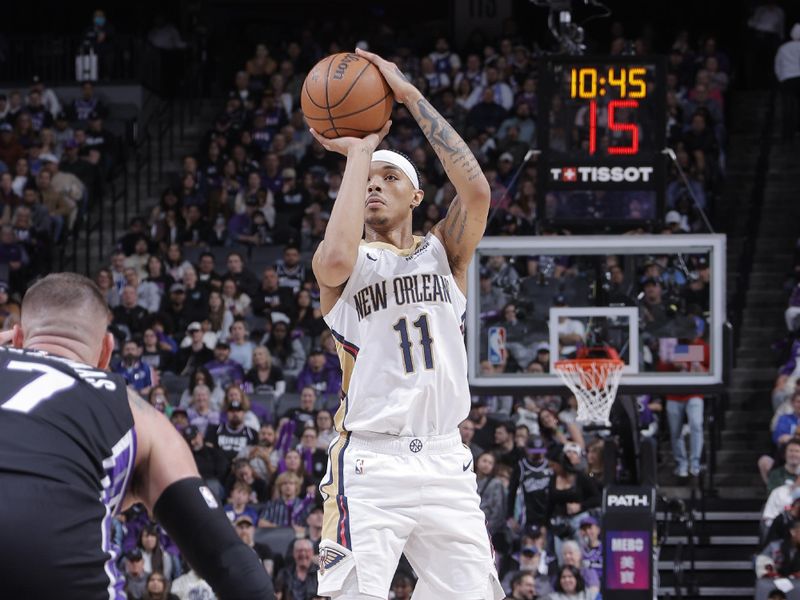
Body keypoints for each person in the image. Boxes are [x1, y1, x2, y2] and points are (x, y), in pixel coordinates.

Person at [311, 48, 504, 598]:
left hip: (446, 458)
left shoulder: (446, 251)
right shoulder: (347, 265)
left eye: (389, 177)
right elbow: (332, 261)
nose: (374, 185)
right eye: (367, 181)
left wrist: (410, 96)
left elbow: (478, 192)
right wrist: (360, 153)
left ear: (416, 195)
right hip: (371, 462)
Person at [0, 273, 273, 598]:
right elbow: (229, 560)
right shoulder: (137, 412)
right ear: (107, 351)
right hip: (56, 567)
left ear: (16, 338)